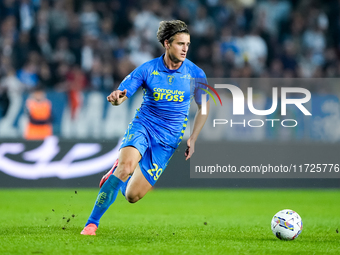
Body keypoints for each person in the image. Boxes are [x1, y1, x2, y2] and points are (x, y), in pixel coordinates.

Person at [80, 20, 210, 235]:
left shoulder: (196, 74)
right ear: (167, 44)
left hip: (168, 141)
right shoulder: (148, 69)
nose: (185, 48)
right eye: (180, 44)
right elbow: (123, 94)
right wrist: (116, 99)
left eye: (187, 44)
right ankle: (92, 223)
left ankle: (116, 176)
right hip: (144, 127)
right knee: (126, 168)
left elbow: (203, 108)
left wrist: (193, 138)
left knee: (132, 196)